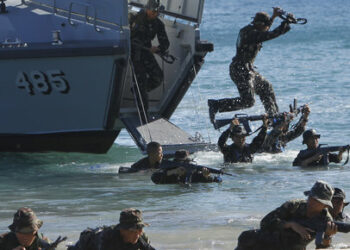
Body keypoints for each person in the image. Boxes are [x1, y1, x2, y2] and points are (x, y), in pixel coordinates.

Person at [208, 7, 291, 123]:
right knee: (248, 101)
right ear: (259, 24)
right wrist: (285, 23)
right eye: (265, 25)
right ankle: (216, 105)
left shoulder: (253, 29)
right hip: (240, 70)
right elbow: (269, 35)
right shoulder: (250, 34)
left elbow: (265, 29)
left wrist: (274, 16)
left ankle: (274, 117)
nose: (266, 27)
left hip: (248, 70)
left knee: (266, 88)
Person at [235, 180, 338, 250]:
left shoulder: (326, 220)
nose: (311, 202)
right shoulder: (294, 205)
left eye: (317, 201)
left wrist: (328, 236)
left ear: (325, 206)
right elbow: (265, 223)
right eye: (311, 198)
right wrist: (291, 224)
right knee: (246, 237)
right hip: (270, 240)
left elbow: (321, 247)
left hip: (293, 247)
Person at [129, 0, 170, 121]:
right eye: (153, 11)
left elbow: (165, 42)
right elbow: (127, 36)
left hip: (146, 53)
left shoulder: (158, 24)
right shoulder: (134, 18)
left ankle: (137, 91)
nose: (155, 14)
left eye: (157, 12)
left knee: (158, 77)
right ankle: (143, 114)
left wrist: (158, 49)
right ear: (147, 9)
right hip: (134, 53)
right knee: (140, 81)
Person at [69, 208, 155, 250]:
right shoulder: (107, 238)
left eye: (140, 228)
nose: (140, 232)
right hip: (85, 245)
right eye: (134, 229)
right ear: (123, 230)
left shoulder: (140, 237)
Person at [151, 149, 222, 184]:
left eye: (185, 163)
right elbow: (154, 178)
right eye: (179, 163)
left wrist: (207, 176)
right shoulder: (170, 171)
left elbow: (216, 180)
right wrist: (173, 171)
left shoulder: (193, 171)